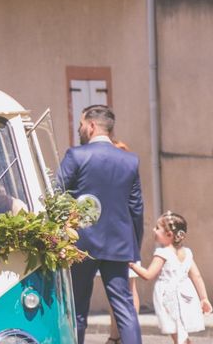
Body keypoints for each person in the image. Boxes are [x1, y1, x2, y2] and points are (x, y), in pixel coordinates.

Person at [58, 105, 144, 344]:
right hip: (118, 244)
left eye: (81, 124)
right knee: (125, 308)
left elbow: (55, 196)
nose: (79, 129)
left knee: (76, 309)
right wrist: (134, 246)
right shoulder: (130, 160)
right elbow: (136, 208)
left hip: (80, 244)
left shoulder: (76, 155)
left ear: (92, 125)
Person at [129, 211, 211, 344]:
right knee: (181, 332)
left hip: (168, 296)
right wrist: (204, 298)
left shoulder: (162, 253)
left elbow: (148, 275)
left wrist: (132, 265)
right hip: (185, 293)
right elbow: (197, 276)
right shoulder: (187, 253)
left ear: (169, 234)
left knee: (176, 332)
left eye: (157, 228)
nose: (153, 230)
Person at [104, 139, 140, 344]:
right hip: (120, 241)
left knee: (127, 290)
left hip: (123, 241)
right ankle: (115, 335)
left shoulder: (121, 182)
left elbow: (135, 209)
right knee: (118, 291)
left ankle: (120, 336)